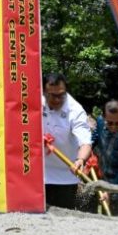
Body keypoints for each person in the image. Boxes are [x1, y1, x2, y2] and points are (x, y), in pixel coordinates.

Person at [42, 73, 92, 210]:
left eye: (61, 95)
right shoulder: (34, 103)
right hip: (37, 176)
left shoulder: (75, 109)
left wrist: (80, 159)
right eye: (52, 95)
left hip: (66, 177)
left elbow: (85, 141)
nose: (57, 99)